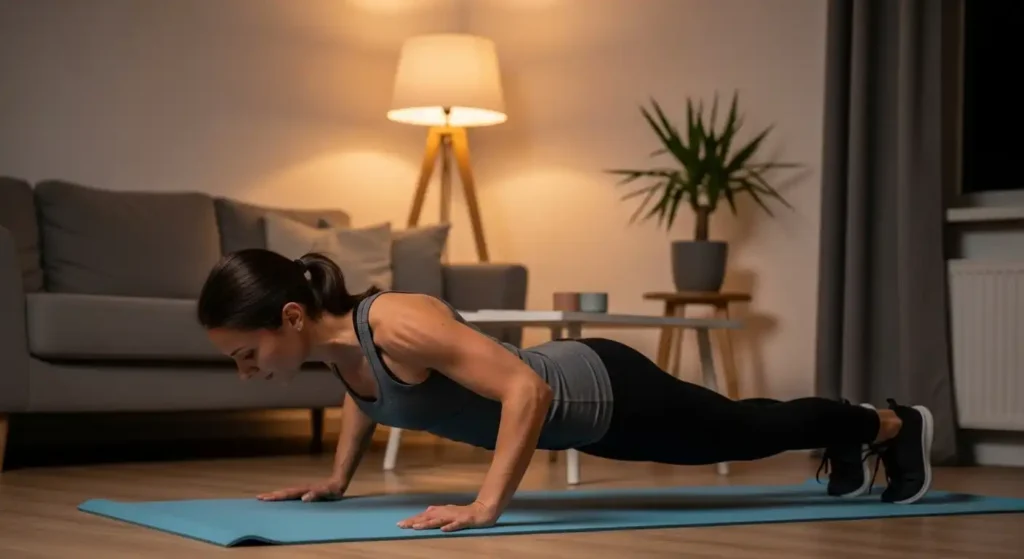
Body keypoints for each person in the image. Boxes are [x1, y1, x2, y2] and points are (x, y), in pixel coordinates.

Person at [196, 249, 935, 533]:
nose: (246, 368)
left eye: (246, 351)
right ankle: (852, 431)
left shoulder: (398, 322)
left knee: (745, 431)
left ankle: (891, 423)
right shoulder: (341, 350)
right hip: (589, 410)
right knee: (746, 429)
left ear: (291, 316)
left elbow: (524, 392)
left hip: (602, 392)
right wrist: (335, 479)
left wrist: (488, 505)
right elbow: (367, 394)